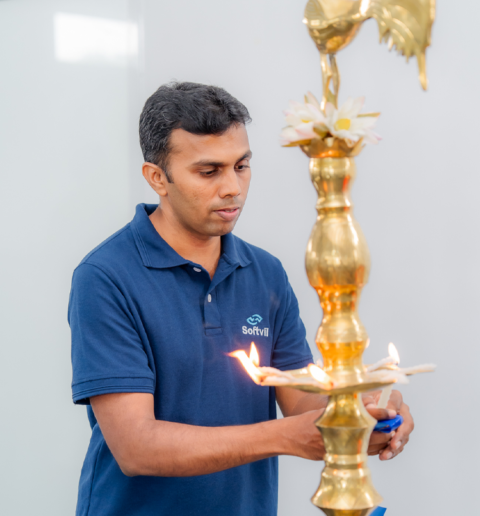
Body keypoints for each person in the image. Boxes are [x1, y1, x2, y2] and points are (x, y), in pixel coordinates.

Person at [69, 82, 413, 516]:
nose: (232, 187)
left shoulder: (265, 272)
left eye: (241, 165)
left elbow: (300, 400)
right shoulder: (105, 277)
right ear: (157, 178)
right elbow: (137, 447)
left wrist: (360, 413)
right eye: (208, 171)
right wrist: (285, 436)